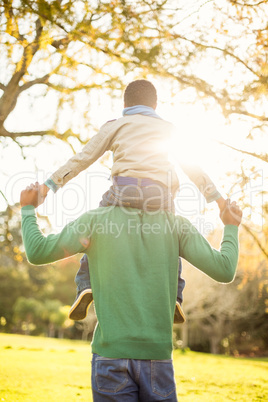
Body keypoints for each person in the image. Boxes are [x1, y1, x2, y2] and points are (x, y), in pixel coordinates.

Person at [20, 183, 242, 402]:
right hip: (157, 358)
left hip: (110, 358)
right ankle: (176, 298)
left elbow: (37, 251)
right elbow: (224, 269)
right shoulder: (176, 225)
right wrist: (230, 226)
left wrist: (28, 209)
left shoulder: (97, 219)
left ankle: (86, 286)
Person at [37, 79, 226, 323]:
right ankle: (176, 296)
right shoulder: (169, 129)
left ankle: (86, 284)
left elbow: (83, 158)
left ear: (125, 104)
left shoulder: (116, 125)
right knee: (172, 235)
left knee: (93, 227)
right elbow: (193, 168)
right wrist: (217, 199)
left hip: (123, 192)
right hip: (160, 197)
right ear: (155, 105)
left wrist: (49, 185)